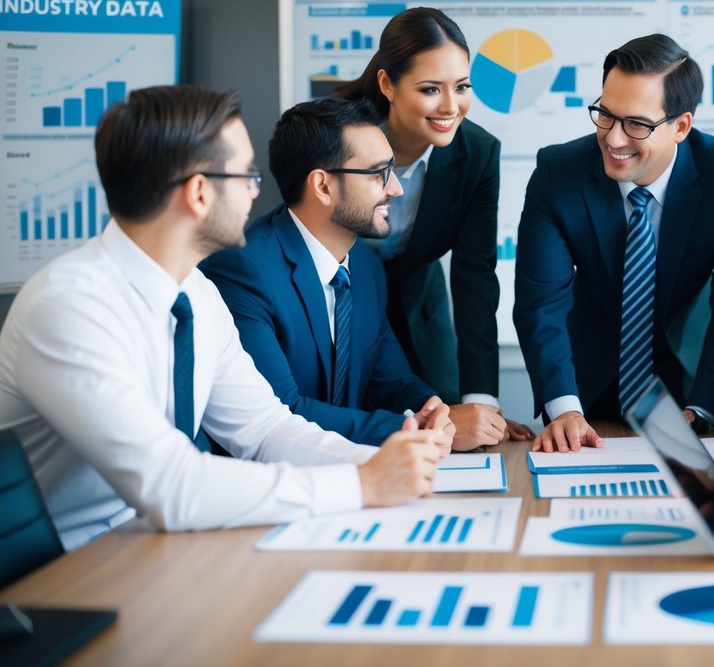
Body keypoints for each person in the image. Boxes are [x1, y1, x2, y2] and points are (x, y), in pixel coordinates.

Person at [0, 86, 452, 550]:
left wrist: (381, 464)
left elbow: (265, 430)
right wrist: (363, 484)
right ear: (199, 192)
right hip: (67, 572)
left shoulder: (197, 295)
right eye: (246, 177)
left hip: (152, 547)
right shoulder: (71, 308)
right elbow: (169, 485)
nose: (257, 194)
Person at [201, 97, 507, 452]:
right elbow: (283, 415)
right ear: (323, 186)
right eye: (379, 174)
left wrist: (436, 412)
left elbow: (392, 381)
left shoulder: (364, 266)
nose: (396, 188)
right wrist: (418, 430)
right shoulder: (243, 271)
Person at [514, 33, 714, 452]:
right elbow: (541, 302)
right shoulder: (557, 174)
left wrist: (704, 405)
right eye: (605, 115)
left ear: (681, 126)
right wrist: (564, 408)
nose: (613, 139)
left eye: (637, 124)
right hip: (587, 383)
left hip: (693, 376)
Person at [334, 7, 531, 441]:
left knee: (441, 417)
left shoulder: (477, 153)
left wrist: (482, 403)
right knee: (341, 417)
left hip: (418, 299)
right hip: (335, 300)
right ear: (387, 84)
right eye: (429, 89)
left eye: (461, 87)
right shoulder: (333, 135)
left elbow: (475, 276)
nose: (450, 106)